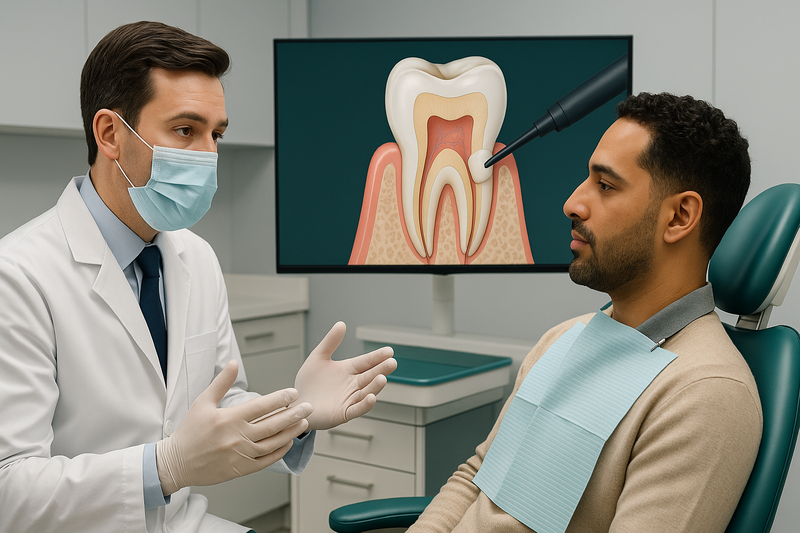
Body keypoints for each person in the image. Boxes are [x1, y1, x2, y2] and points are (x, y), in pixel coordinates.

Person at [0, 21, 396, 533]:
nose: (209, 155)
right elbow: (9, 489)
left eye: (217, 134)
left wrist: (297, 413)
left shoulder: (196, 257)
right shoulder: (18, 275)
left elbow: (220, 403)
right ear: (110, 134)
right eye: (185, 130)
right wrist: (163, 468)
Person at [407, 93, 761, 533]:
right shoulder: (564, 339)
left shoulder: (706, 392)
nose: (572, 204)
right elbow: (477, 479)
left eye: (606, 185)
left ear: (679, 217)